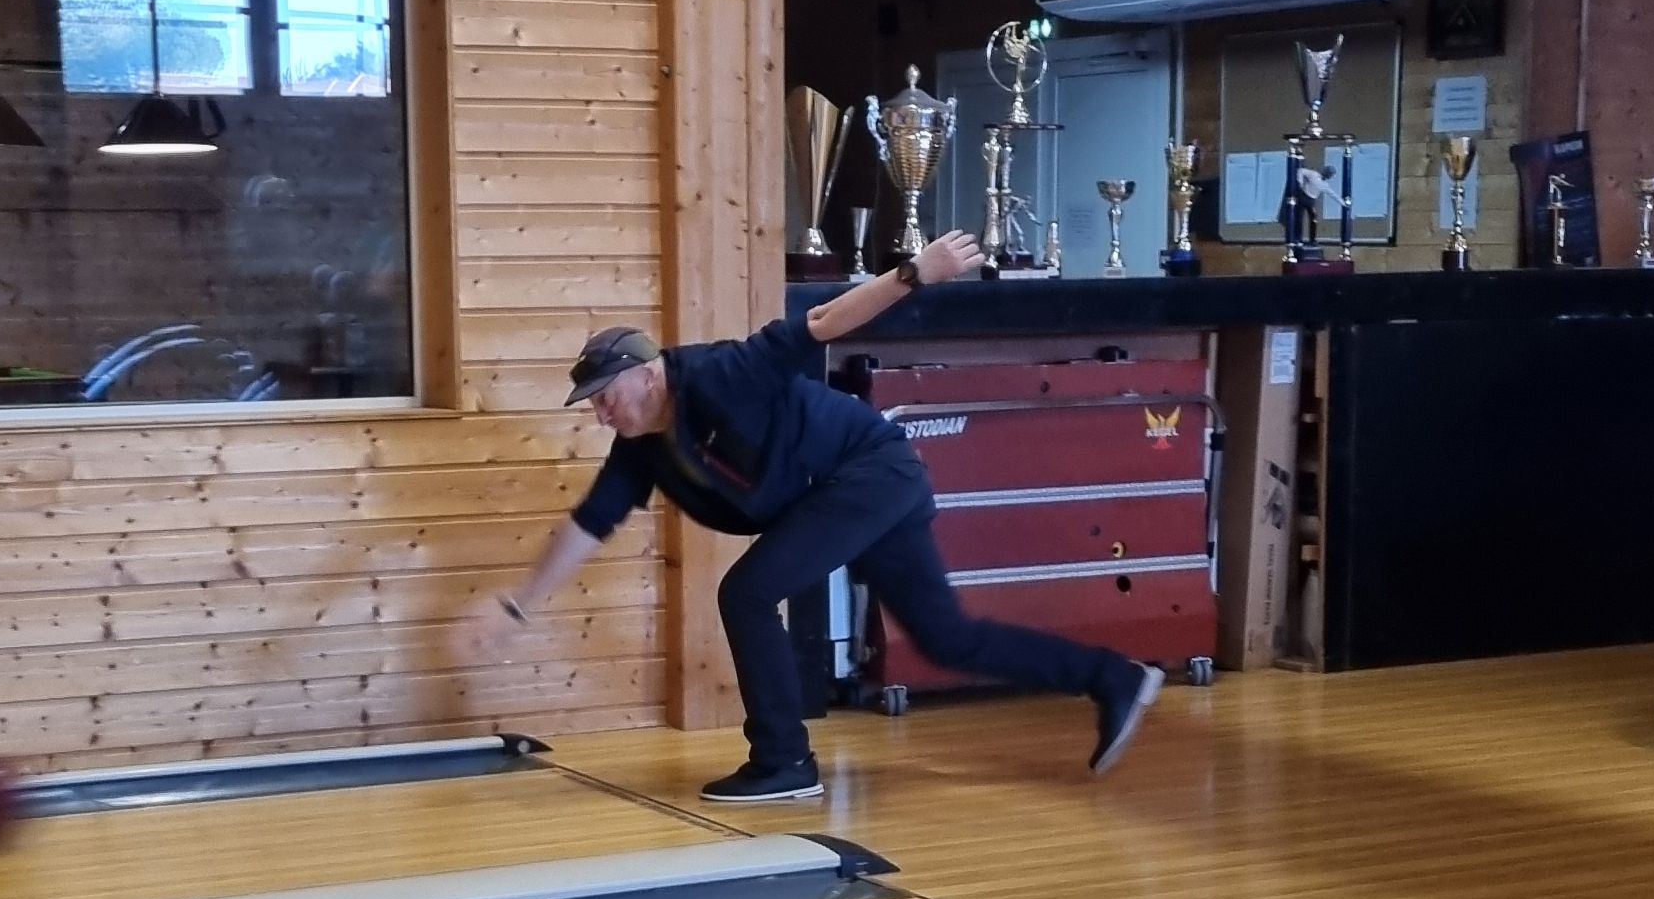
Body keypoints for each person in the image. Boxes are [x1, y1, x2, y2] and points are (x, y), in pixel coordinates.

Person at [498, 230, 1165, 803]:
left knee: (747, 592)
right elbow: (591, 523)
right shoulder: (642, 446)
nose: (601, 414)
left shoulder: (722, 372)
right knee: (946, 639)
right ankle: (1115, 677)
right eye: (593, 404)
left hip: (870, 473)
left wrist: (914, 273)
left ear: (648, 377)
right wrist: (517, 607)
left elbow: (820, 322)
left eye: (606, 397)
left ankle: (784, 761)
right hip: (851, 490)